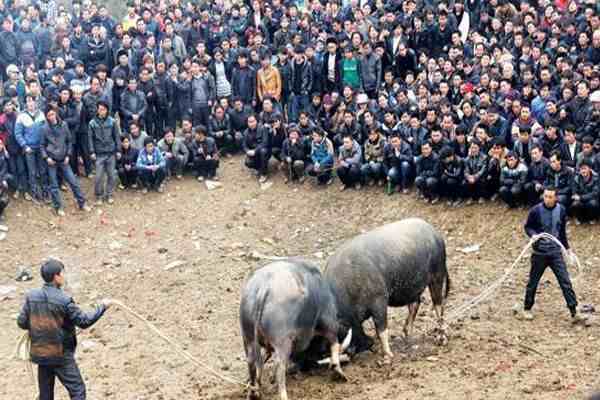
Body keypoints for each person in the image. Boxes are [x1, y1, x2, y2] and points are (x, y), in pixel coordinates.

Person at [17, 259, 112, 400]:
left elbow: (22, 322)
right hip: (60, 355)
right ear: (56, 276)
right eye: (62, 274)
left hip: (41, 354)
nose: (64, 277)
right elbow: (84, 321)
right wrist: (102, 307)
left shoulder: (31, 296)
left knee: (45, 395)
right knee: (78, 391)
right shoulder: (64, 299)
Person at [520, 187, 587, 324]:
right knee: (533, 282)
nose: (547, 199)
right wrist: (533, 235)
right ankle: (526, 308)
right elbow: (528, 227)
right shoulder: (535, 210)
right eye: (545, 196)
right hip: (539, 253)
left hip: (556, 252)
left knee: (565, 281)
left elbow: (561, 231)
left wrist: (567, 249)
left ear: (556, 198)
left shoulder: (561, 210)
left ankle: (574, 312)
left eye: (550, 197)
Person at [40, 108, 91, 216]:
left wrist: (68, 155)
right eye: (49, 115)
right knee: (54, 186)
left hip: (64, 159)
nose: (51, 117)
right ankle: (58, 207)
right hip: (51, 160)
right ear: (46, 117)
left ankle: (82, 203)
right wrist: (46, 158)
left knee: (73, 182)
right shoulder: (44, 128)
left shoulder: (63, 125)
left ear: (56, 114)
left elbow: (69, 141)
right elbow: (42, 145)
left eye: (53, 114)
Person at [88, 100, 121, 205]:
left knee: (111, 175)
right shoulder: (92, 123)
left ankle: (109, 194)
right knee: (98, 177)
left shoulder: (112, 121)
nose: (101, 111)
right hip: (99, 154)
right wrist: (91, 151)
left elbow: (117, 137)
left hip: (111, 152)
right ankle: (99, 196)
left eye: (103, 109)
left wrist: (118, 150)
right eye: (99, 109)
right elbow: (90, 139)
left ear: (107, 110)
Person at [243, 114, 271, 183]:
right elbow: (244, 145)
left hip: (264, 151)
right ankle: (259, 168)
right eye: (249, 122)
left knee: (263, 151)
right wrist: (247, 151)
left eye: (253, 121)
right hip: (252, 152)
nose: (251, 124)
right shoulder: (246, 132)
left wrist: (255, 151)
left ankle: (264, 173)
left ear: (256, 121)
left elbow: (265, 143)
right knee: (247, 162)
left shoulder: (262, 128)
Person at [570, 160, 600, 225]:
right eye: (581, 169)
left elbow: (595, 193)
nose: (583, 171)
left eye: (585, 168)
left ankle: (591, 218)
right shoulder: (576, 178)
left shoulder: (596, 178)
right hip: (580, 201)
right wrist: (577, 196)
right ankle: (579, 218)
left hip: (590, 200)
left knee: (593, 203)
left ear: (589, 169)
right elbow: (574, 191)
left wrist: (581, 197)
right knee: (575, 204)